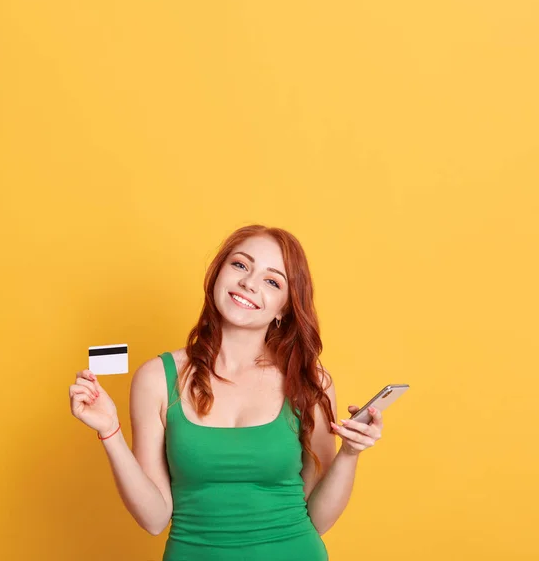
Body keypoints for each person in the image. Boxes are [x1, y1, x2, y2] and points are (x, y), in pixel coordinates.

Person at [69, 224, 384, 561]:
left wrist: (350, 453)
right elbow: (154, 518)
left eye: (272, 281)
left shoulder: (309, 380)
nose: (249, 282)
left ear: (284, 308)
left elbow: (318, 519)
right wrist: (110, 432)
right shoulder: (156, 378)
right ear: (217, 273)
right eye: (240, 265)